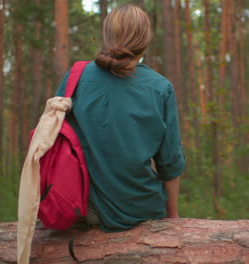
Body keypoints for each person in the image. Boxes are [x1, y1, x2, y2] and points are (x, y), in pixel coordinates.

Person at [55, 4, 185, 232]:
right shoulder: (160, 87)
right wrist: (172, 213)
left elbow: (52, 144)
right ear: (145, 39)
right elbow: (170, 161)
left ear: (106, 36)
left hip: (81, 208)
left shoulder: (75, 79)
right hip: (140, 210)